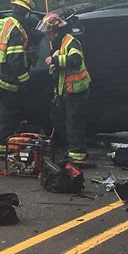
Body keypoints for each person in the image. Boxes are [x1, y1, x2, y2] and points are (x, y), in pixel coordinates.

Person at [0, 0, 34, 153]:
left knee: (1, 115)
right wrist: (26, 80)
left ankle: (1, 148)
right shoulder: (16, 30)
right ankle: (1, 151)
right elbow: (15, 60)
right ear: (25, 12)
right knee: (7, 116)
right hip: (7, 80)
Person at [37, 12, 91, 161]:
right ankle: (73, 152)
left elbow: (75, 60)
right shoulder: (60, 44)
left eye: (49, 33)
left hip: (77, 92)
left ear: (55, 31)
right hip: (67, 92)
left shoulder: (70, 41)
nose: (48, 36)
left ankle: (77, 156)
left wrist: (55, 59)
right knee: (65, 122)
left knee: (74, 124)